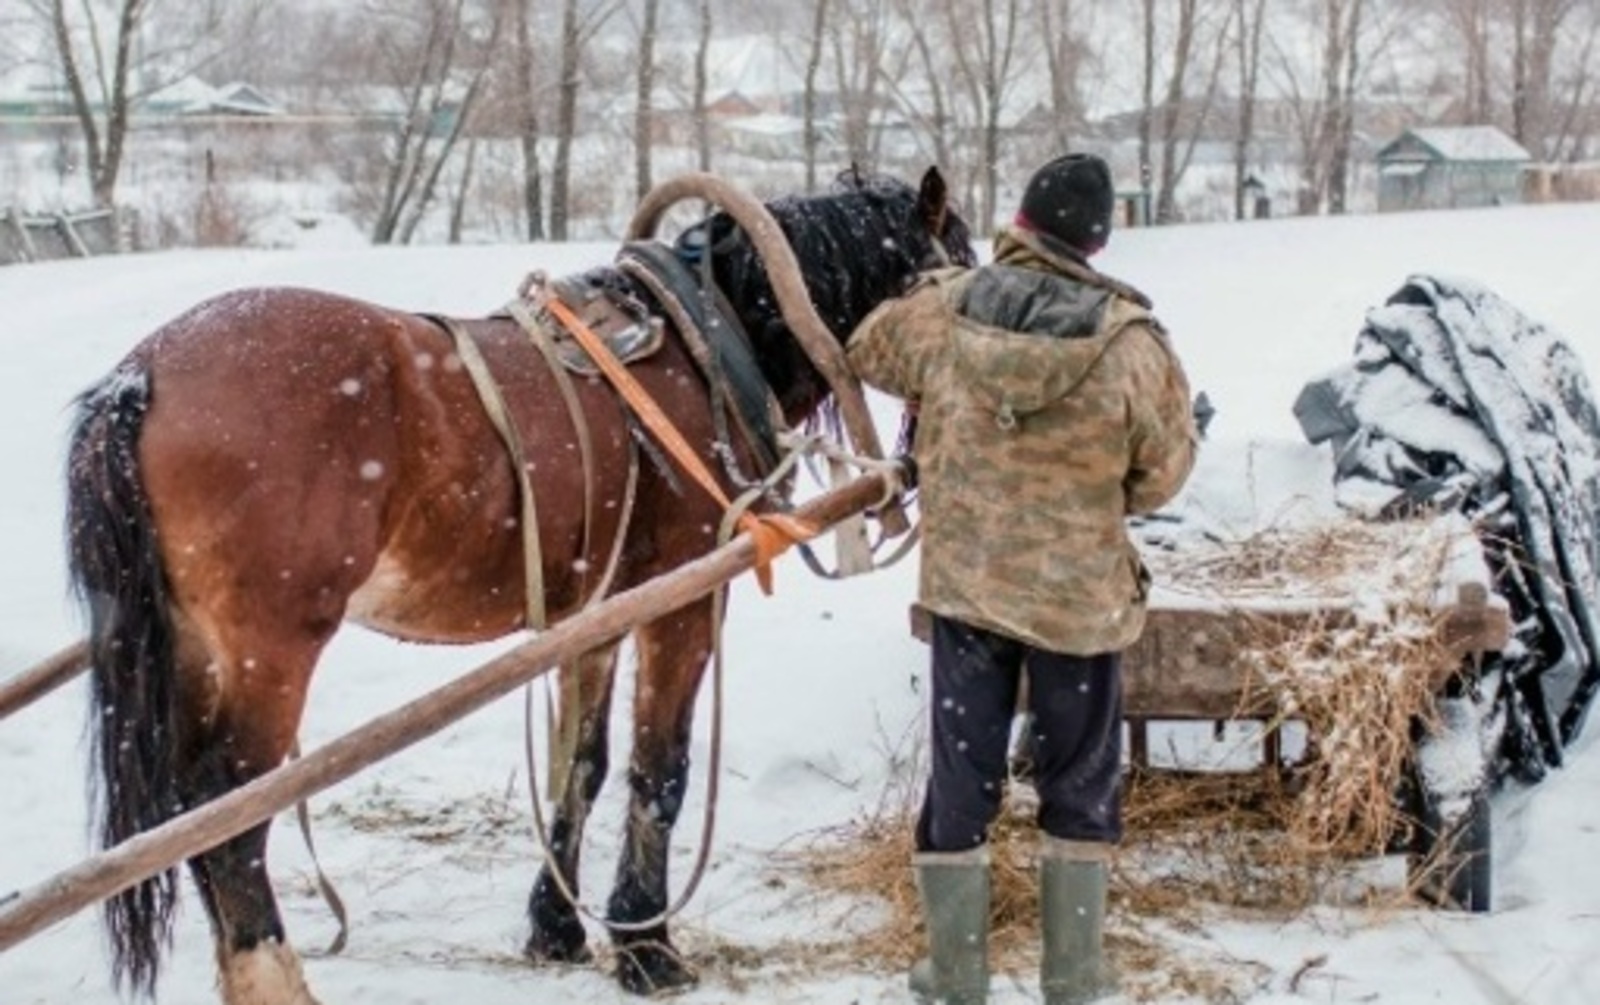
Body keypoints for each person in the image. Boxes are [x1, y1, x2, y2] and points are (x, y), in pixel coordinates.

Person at [846, 152, 1197, 1005]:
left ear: (1023, 222)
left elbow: (864, 346)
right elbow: (1162, 477)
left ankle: (956, 973)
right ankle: (1073, 974)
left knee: (963, 778)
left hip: (969, 591)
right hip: (1078, 603)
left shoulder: (944, 312)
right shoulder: (1133, 345)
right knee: (1079, 778)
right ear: (1098, 240)